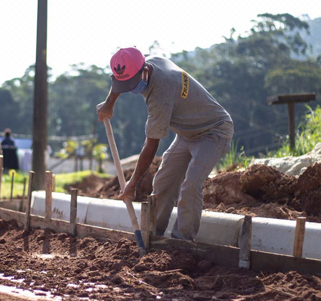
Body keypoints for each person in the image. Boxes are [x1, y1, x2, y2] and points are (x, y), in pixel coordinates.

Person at [97, 47, 233, 241]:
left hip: (213, 131)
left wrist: (132, 183)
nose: (131, 89)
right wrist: (109, 102)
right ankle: (153, 235)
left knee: (191, 185)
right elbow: (119, 81)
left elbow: (151, 146)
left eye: (132, 84)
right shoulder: (149, 61)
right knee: (163, 183)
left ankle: (182, 242)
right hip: (186, 133)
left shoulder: (160, 93)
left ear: (144, 70)